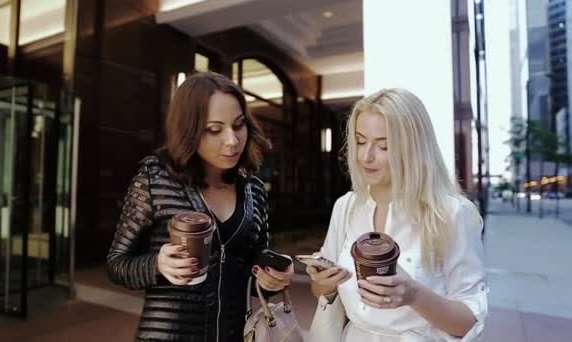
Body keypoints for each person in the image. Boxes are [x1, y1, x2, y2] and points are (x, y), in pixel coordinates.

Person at [107, 71, 294, 342]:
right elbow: (116, 263)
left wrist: (270, 279)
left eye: (239, 125)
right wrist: (157, 264)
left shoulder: (253, 189)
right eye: (214, 129)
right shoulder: (155, 177)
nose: (232, 140)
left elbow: (252, 271)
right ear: (189, 130)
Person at [307, 88, 488, 341]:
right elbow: (323, 292)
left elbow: (469, 322)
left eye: (383, 146)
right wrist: (324, 284)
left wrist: (414, 295)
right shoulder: (346, 207)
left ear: (414, 149)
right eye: (360, 141)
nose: (365, 156)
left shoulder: (451, 214)